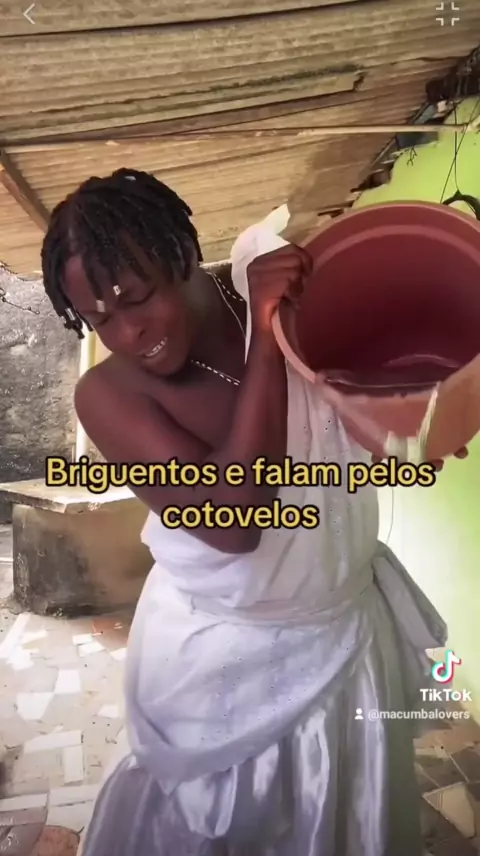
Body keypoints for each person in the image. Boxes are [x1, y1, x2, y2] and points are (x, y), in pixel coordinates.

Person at [41, 167, 448, 856]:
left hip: (345, 633)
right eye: (100, 319)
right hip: (224, 670)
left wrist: (413, 431)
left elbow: (364, 421)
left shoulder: (292, 300)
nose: (128, 333)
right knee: (224, 825)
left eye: (137, 298)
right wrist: (265, 336)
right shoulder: (108, 396)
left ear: (181, 254)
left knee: (343, 813)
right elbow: (233, 522)